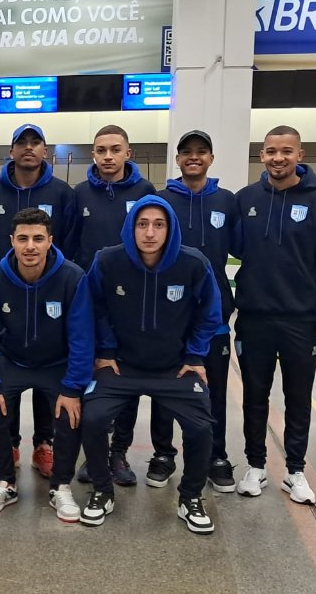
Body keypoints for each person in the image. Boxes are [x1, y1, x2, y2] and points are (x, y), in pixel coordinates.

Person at [82, 196, 220, 534]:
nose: (149, 233)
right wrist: (107, 351)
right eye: (142, 224)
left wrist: (193, 355)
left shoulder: (193, 263)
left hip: (173, 368)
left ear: (170, 228)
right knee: (92, 418)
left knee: (202, 427)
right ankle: (102, 490)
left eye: (158, 225)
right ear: (131, 227)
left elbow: (210, 313)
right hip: (121, 367)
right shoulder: (106, 261)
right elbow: (93, 308)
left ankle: (190, 497)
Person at [234, 126, 316, 504]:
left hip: (301, 320)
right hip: (254, 317)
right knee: (254, 395)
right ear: (261, 156)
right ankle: (255, 465)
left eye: (286, 151)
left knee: (298, 396)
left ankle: (295, 471)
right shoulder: (247, 199)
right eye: (271, 151)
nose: (278, 158)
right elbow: (231, 247)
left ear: (300, 155)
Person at [0, 208, 93, 520]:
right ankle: (5, 481)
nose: (30, 246)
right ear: (11, 240)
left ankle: (61, 487)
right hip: (13, 360)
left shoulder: (72, 277)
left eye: (38, 239)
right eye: (23, 238)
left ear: (50, 241)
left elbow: (82, 336)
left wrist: (72, 386)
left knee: (71, 410)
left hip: (57, 363)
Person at [0, 123, 77, 479]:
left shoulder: (61, 192)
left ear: (45, 150)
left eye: (34, 142)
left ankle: (44, 444)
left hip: (51, 287)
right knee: (12, 360)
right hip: (7, 287)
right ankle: (9, 443)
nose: (27, 148)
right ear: (11, 151)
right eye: (20, 142)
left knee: (45, 364)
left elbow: (67, 236)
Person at [69, 124, 156, 486]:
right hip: (91, 301)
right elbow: (71, 247)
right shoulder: (79, 194)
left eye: (115, 149)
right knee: (93, 379)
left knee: (127, 378)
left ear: (127, 153)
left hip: (131, 302)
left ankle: (119, 453)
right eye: (101, 150)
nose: (108, 156)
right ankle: (94, 455)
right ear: (94, 154)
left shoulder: (144, 191)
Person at [154, 130, 240, 493]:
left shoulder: (227, 200)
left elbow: (242, 249)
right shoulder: (159, 200)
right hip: (167, 314)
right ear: (177, 159)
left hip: (213, 315)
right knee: (163, 388)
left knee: (212, 389)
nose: (194, 157)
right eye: (186, 152)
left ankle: (215, 455)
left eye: (201, 151)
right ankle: (162, 452)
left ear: (211, 158)